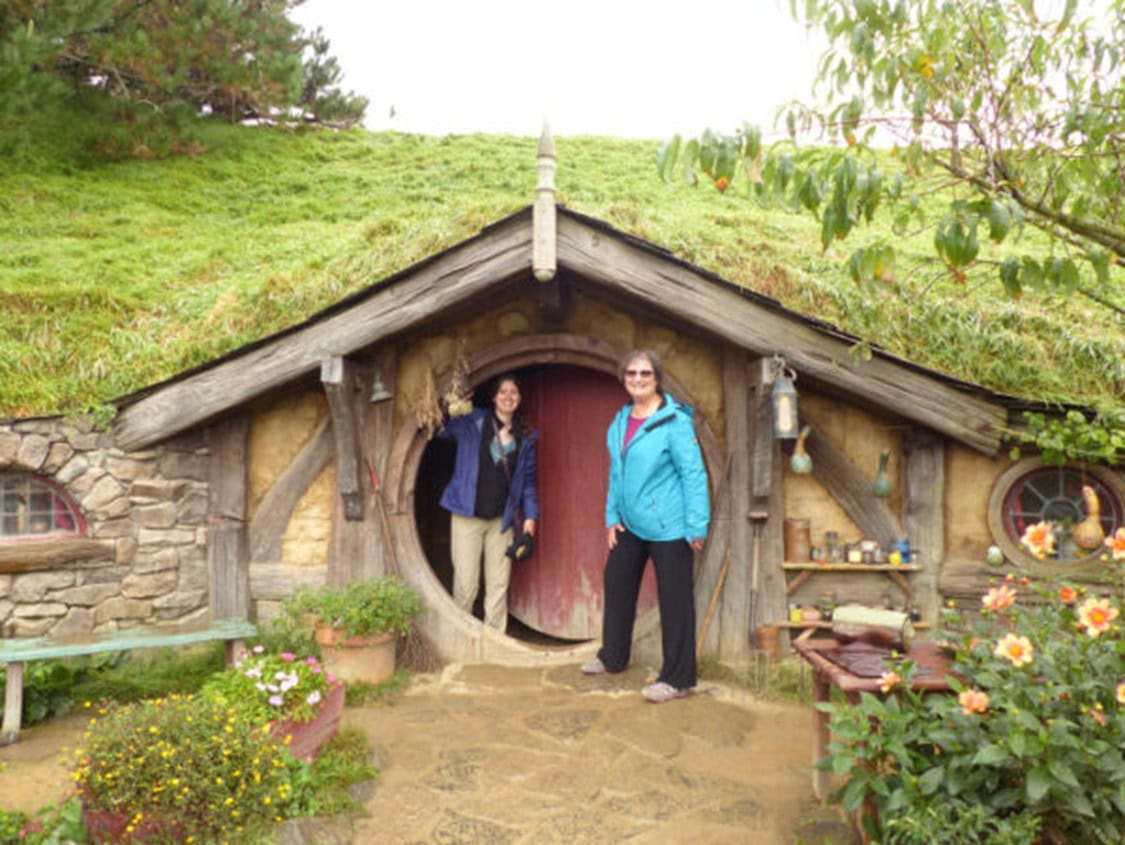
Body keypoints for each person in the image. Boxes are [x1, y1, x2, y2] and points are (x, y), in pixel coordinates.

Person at [582, 350, 710, 703]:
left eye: (646, 374)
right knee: (617, 581)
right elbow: (616, 474)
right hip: (631, 525)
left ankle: (679, 678)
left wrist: (696, 525)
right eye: (632, 373)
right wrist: (612, 518)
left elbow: (693, 474)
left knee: (675, 600)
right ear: (624, 378)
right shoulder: (621, 420)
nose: (638, 379)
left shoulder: (674, 421)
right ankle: (613, 657)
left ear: (657, 379)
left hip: (669, 526)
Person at [437, 373, 539, 631]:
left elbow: (528, 485)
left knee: (497, 585)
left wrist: (529, 524)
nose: (508, 397)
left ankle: (496, 641)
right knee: (466, 585)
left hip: (500, 522)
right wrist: (451, 403)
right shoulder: (473, 423)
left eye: (514, 392)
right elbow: (441, 429)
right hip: (467, 516)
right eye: (503, 392)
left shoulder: (525, 439)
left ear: (520, 399)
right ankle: (463, 639)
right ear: (493, 397)